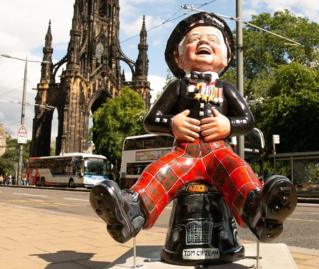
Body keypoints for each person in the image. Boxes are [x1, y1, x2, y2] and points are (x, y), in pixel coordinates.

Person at [90, 12, 297, 244]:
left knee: (237, 169)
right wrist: (172, 124)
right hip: (183, 154)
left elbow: (247, 120)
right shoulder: (177, 87)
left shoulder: (226, 88)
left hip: (218, 152)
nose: (203, 42)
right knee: (159, 172)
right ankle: (130, 211)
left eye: (212, 38)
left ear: (227, 56)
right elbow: (151, 119)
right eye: (194, 39)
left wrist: (228, 124)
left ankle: (260, 211)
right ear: (178, 58)